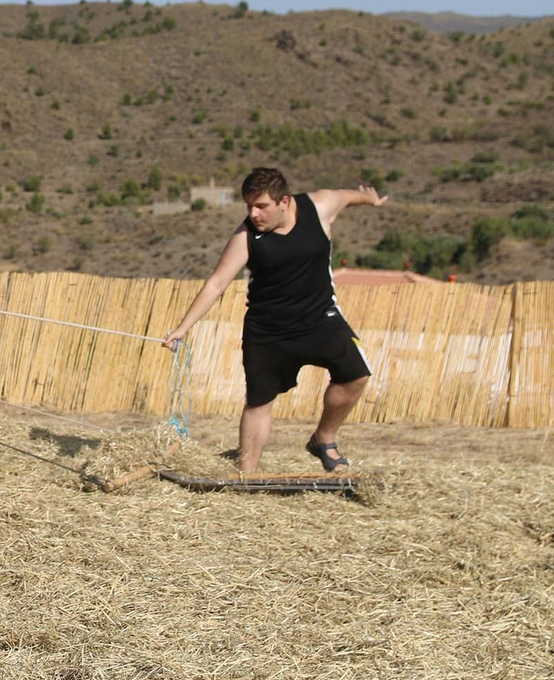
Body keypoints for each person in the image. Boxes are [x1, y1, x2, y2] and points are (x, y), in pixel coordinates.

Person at [162, 167, 387, 473]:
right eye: (249, 207)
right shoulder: (246, 237)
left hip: (320, 319)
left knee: (356, 374)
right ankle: (247, 474)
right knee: (258, 403)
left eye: (261, 207)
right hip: (267, 331)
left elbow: (347, 196)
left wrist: (369, 200)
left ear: (284, 201)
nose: (254, 214)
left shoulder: (318, 207)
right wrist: (183, 328)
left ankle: (324, 438)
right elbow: (216, 283)